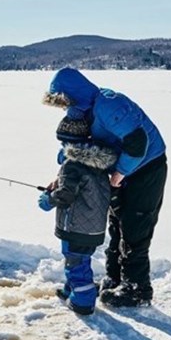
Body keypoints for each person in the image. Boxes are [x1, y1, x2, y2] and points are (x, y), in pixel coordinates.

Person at [43, 67, 167, 307]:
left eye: (63, 100)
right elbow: (77, 148)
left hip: (147, 168)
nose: (62, 106)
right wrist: (62, 175)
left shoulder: (109, 104)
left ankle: (137, 289)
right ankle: (114, 278)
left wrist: (119, 174)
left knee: (135, 228)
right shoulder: (81, 109)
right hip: (121, 170)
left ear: (73, 93)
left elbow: (137, 143)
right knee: (116, 224)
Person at [38, 116, 118, 315]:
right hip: (93, 227)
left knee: (76, 264)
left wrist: (47, 200)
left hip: (75, 228)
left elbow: (65, 195)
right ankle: (71, 289)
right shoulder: (98, 163)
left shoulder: (71, 165)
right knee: (79, 260)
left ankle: (83, 301)